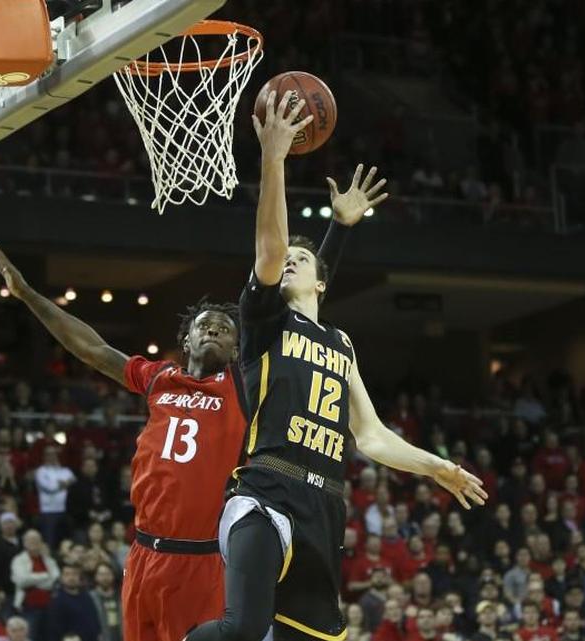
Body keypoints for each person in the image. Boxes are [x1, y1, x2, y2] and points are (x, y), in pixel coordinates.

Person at [0, 178, 358, 641]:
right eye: (206, 326)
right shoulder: (160, 378)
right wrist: (29, 297)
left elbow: (304, 300)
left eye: (226, 329)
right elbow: (93, 349)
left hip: (203, 559)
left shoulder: (244, 385)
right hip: (144, 554)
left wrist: (334, 240)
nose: (216, 333)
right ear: (186, 339)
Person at [184, 90, 487, 641]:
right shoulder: (264, 323)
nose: (291, 260)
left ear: (322, 279)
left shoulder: (340, 343)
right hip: (265, 495)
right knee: (243, 628)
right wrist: (273, 158)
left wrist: (435, 466)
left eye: (305, 259)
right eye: (288, 260)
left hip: (323, 507)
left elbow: (370, 436)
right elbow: (271, 250)